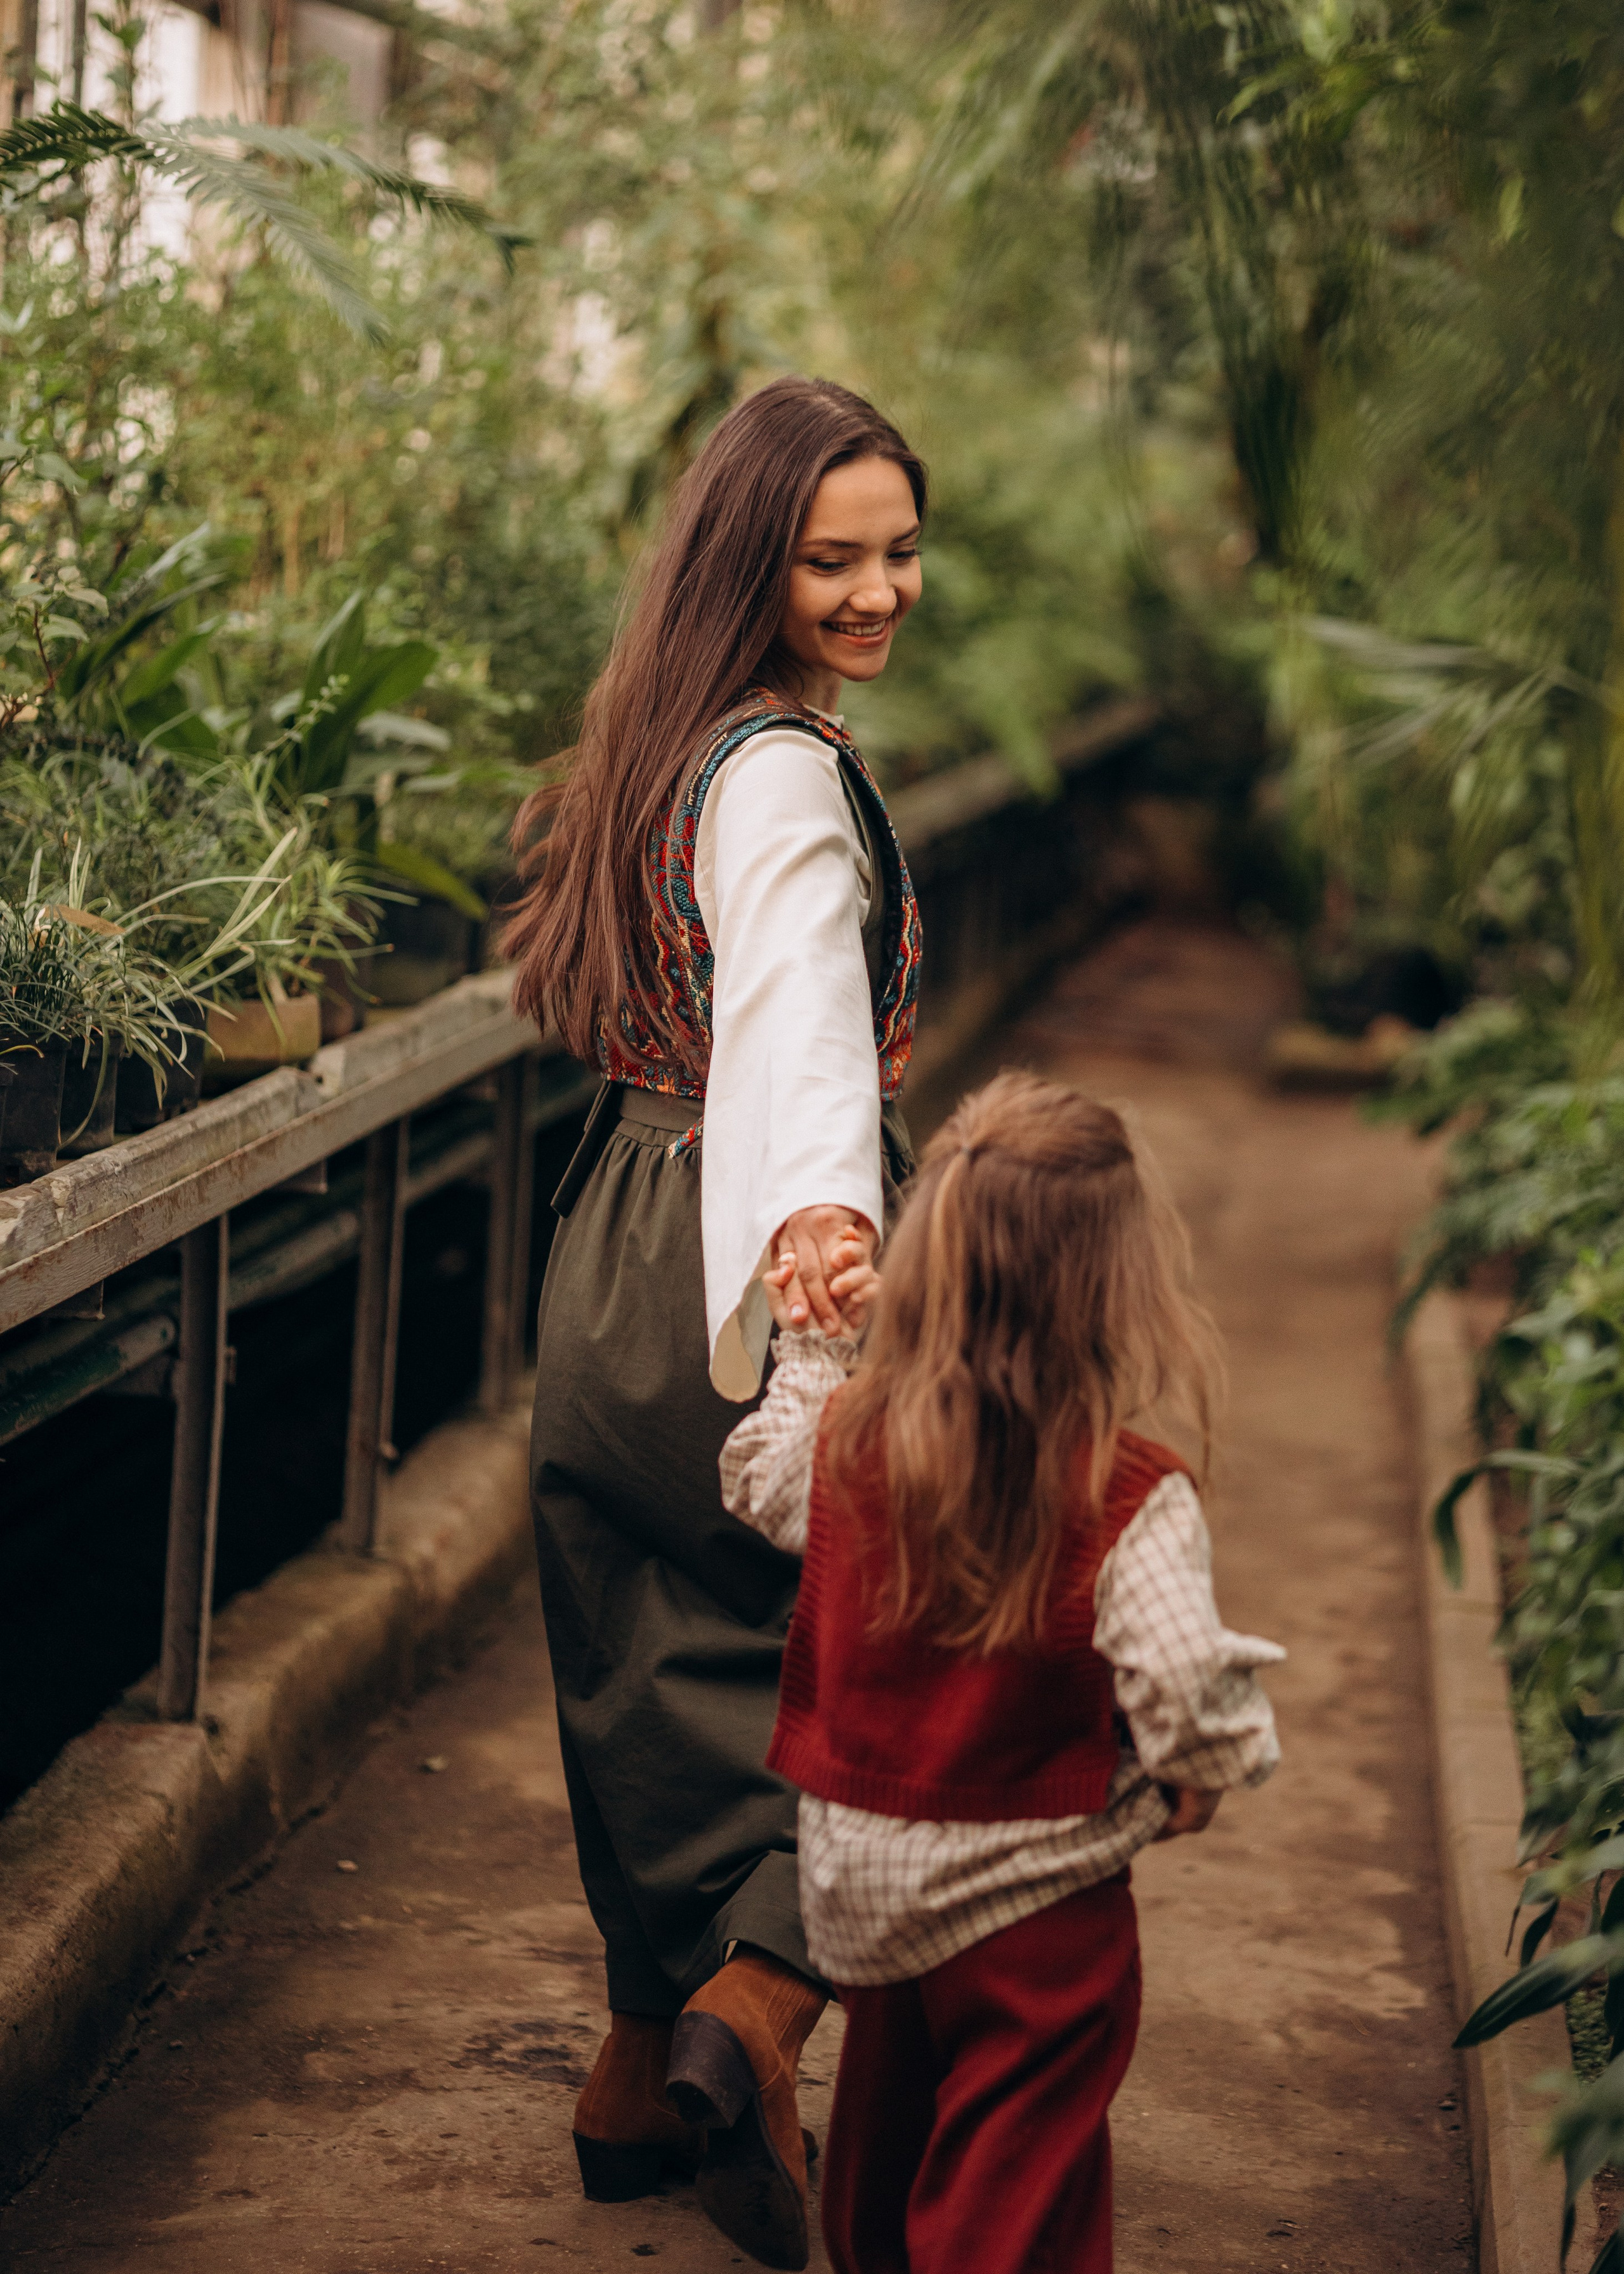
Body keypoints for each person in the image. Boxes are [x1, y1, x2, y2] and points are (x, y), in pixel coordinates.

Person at [502, 375, 927, 2270]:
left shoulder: (664, 742)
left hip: (615, 1229)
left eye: (898, 551)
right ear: (752, 562)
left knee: (645, 1648)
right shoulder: (782, 780)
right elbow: (801, 1015)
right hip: (748, 1247)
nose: (876, 591)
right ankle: (753, 2018)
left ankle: (628, 2082)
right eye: (832, 559)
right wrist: (827, 1231)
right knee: (896, 1663)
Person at [714, 1070, 1285, 2274]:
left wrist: (816, 1346)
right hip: (1040, 1919)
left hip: (866, 1900)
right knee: (1014, 2202)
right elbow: (1183, 1679)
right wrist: (1198, 1769)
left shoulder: (856, 1442)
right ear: (1118, 1289)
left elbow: (762, 1479)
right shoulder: (1127, 1492)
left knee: (882, 2166)